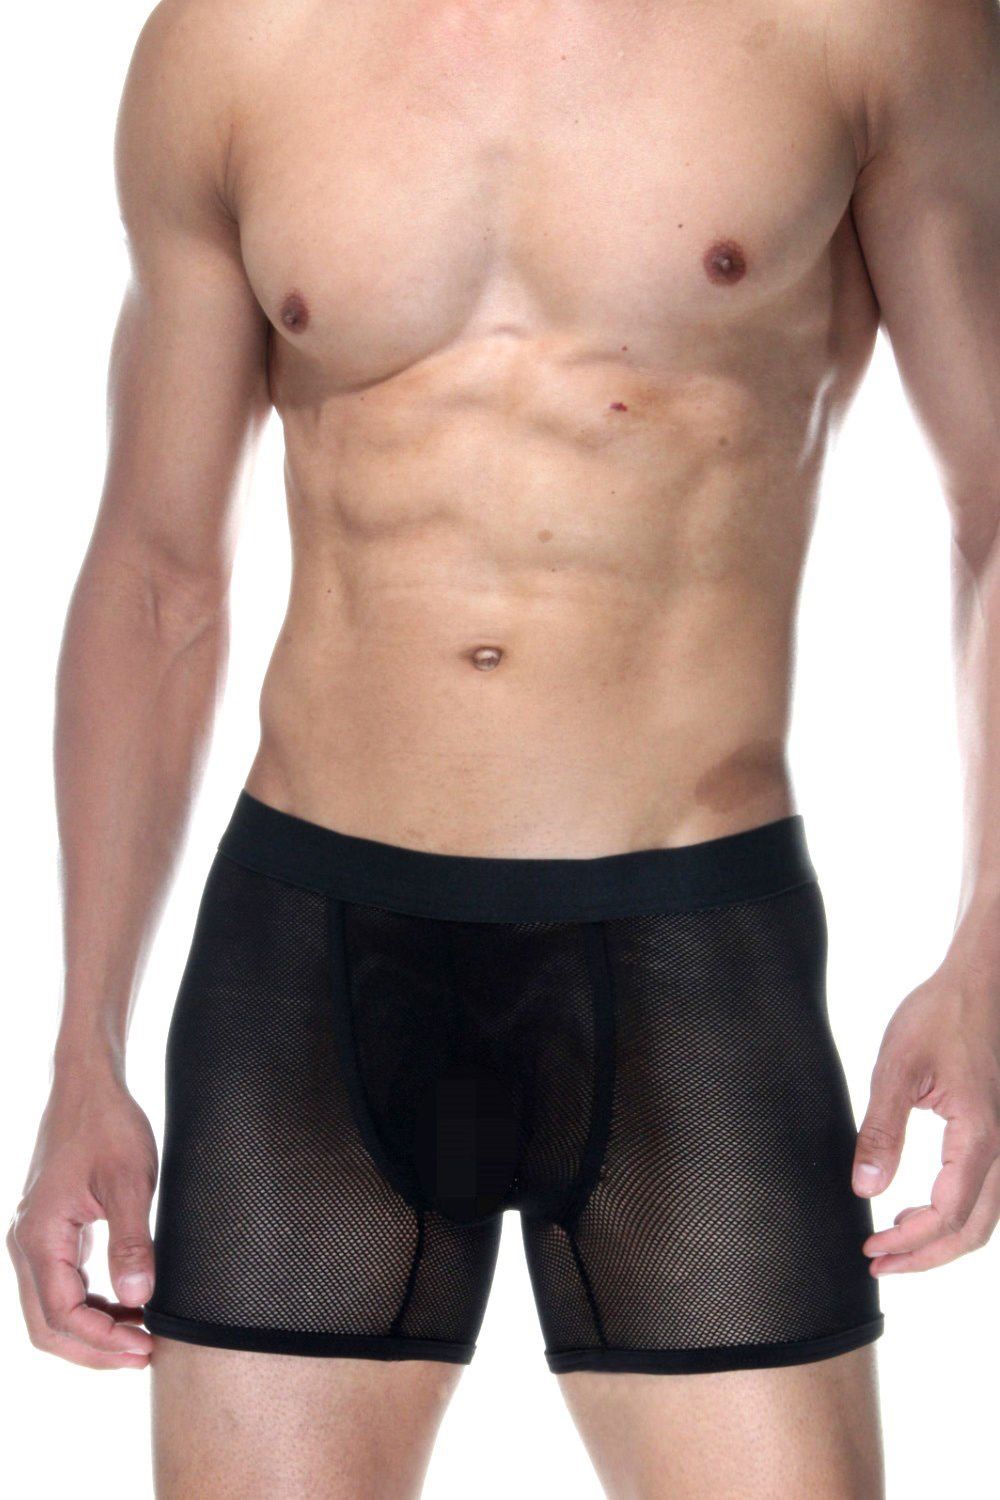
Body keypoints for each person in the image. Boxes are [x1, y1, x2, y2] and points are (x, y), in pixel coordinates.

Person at [8, 0, 1000, 1495]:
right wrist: (83, 1042)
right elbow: (157, 573)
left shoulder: (858, 27)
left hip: (688, 949)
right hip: (310, 964)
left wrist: (990, 949)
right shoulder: (233, 45)